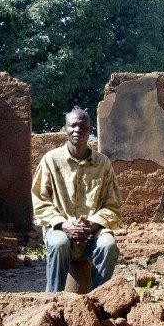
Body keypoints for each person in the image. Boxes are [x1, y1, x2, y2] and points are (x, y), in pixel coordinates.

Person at [31, 107, 122, 292]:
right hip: (60, 229)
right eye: (72, 125)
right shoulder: (51, 160)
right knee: (58, 243)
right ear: (65, 129)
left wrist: (93, 225)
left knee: (108, 245)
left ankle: (100, 302)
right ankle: (53, 301)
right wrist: (63, 224)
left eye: (83, 126)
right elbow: (40, 199)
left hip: (92, 234)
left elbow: (112, 205)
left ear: (90, 130)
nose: (77, 130)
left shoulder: (103, 163)